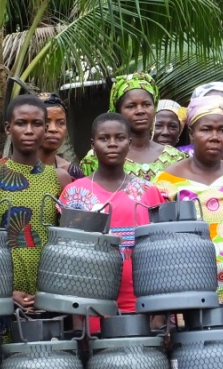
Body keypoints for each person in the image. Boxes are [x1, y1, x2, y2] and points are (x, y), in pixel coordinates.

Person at [155, 96, 223, 323]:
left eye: (222, 130)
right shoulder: (166, 181)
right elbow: (159, 246)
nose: (215, 137)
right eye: (206, 129)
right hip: (186, 292)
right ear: (191, 134)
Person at [60, 113, 164, 315]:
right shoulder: (73, 193)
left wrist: (159, 315)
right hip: (88, 300)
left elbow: (160, 253)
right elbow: (67, 256)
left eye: (120, 137)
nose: (112, 144)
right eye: (104, 138)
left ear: (129, 143)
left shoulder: (148, 192)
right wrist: (76, 319)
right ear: (93, 144)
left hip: (141, 299)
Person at [0, 95, 72, 310]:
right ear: (8, 128)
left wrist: (52, 293)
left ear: (45, 128)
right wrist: (4, 292)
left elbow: (66, 242)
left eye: (37, 124)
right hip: (3, 289)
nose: (29, 130)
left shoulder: (60, 178)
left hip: (49, 288)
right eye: (21, 123)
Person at [81, 73, 183, 181]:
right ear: (118, 111)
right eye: (131, 106)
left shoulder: (175, 157)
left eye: (146, 104)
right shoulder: (97, 157)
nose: (140, 111)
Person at [37, 93, 84, 178]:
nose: (53, 129)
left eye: (61, 123)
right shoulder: (9, 172)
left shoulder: (72, 173)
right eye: (46, 121)